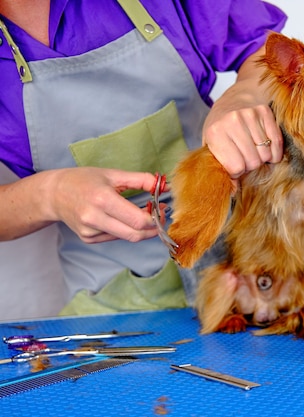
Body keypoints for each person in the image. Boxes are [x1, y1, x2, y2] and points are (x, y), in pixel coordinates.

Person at [0, 0, 287, 315]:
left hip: (252, 271)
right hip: (112, 309)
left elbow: (268, 51)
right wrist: (49, 195)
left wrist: (245, 95)